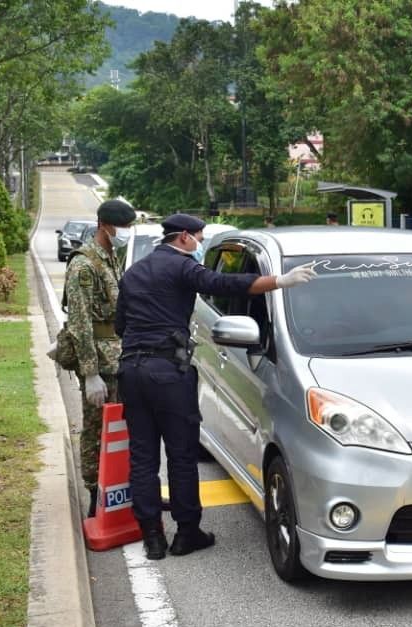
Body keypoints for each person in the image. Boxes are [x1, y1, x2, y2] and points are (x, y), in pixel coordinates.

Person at [115, 213, 317, 560]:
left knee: (143, 457)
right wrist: (280, 281)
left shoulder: (134, 273)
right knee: (181, 454)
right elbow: (224, 284)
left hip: (131, 371)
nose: (200, 243)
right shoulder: (181, 267)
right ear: (183, 237)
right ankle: (186, 533)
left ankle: (152, 538)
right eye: (198, 236)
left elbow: (121, 325)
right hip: (168, 372)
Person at [65, 199, 137, 517]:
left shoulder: (110, 258)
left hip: (117, 357)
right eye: (122, 227)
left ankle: (119, 491)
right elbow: (79, 323)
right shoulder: (84, 265)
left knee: (118, 430)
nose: (125, 232)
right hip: (99, 363)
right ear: (104, 225)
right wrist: (90, 373)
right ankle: (95, 496)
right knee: (96, 430)